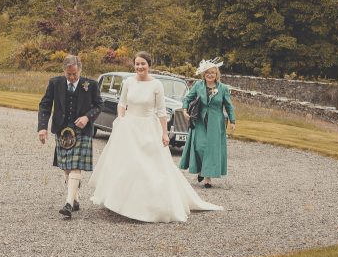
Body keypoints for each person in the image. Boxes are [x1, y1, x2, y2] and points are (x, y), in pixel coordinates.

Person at [91, 52, 222, 222]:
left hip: (147, 127)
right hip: (129, 127)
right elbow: (122, 103)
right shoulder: (128, 82)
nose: (140, 67)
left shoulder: (156, 85)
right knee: (126, 164)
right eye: (137, 64)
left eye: (143, 64)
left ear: (149, 65)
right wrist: (121, 118)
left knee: (148, 166)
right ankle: (120, 201)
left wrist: (164, 133)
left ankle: (148, 205)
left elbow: (161, 111)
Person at [37, 54, 103, 218]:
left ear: (80, 69)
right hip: (62, 130)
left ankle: (68, 204)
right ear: (64, 71)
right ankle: (75, 199)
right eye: (69, 74)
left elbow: (99, 105)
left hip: (81, 131)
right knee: (66, 167)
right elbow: (45, 105)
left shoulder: (91, 85)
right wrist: (42, 128)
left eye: (75, 74)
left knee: (75, 166)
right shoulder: (55, 83)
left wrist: (87, 117)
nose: (72, 77)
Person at [180, 58, 236, 187]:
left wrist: (232, 121)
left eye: (213, 73)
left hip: (216, 122)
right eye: (207, 73)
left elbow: (229, 106)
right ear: (204, 74)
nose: (210, 75)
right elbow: (187, 98)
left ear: (217, 74)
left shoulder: (223, 88)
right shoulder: (198, 85)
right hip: (199, 120)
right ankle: (201, 170)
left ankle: (207, 178)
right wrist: (184, 110)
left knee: (211, 149)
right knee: (200, 146)